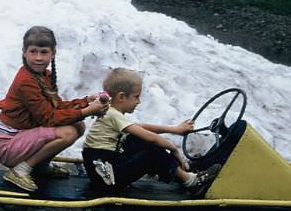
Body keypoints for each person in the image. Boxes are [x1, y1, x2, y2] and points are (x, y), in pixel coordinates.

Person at [0, 26, 109, 192]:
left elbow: (56, 107)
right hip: (8, 144)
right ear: (24, 52)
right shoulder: (26, 81)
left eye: (44, 52)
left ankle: (40, 166)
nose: (38, 58)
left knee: (78, 125)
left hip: (22, 137)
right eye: (33, 52)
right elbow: (49, 118)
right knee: (68, 132)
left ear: (53, 53)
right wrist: (88, 111)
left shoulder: (41, 76)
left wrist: (85, 102)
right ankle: (20, 171)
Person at [82, 68, 221, 195]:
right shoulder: (114, 115)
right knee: (150, 149)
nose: (139, 101)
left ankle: (179, 171)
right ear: (121, 97)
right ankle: (190, 182)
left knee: (138, 139)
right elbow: (150, 137)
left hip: (102, 171)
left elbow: (140, 128)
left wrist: (175, 130)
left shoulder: (110, 113)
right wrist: (175, 150)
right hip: (108, 181)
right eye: (136, 96)